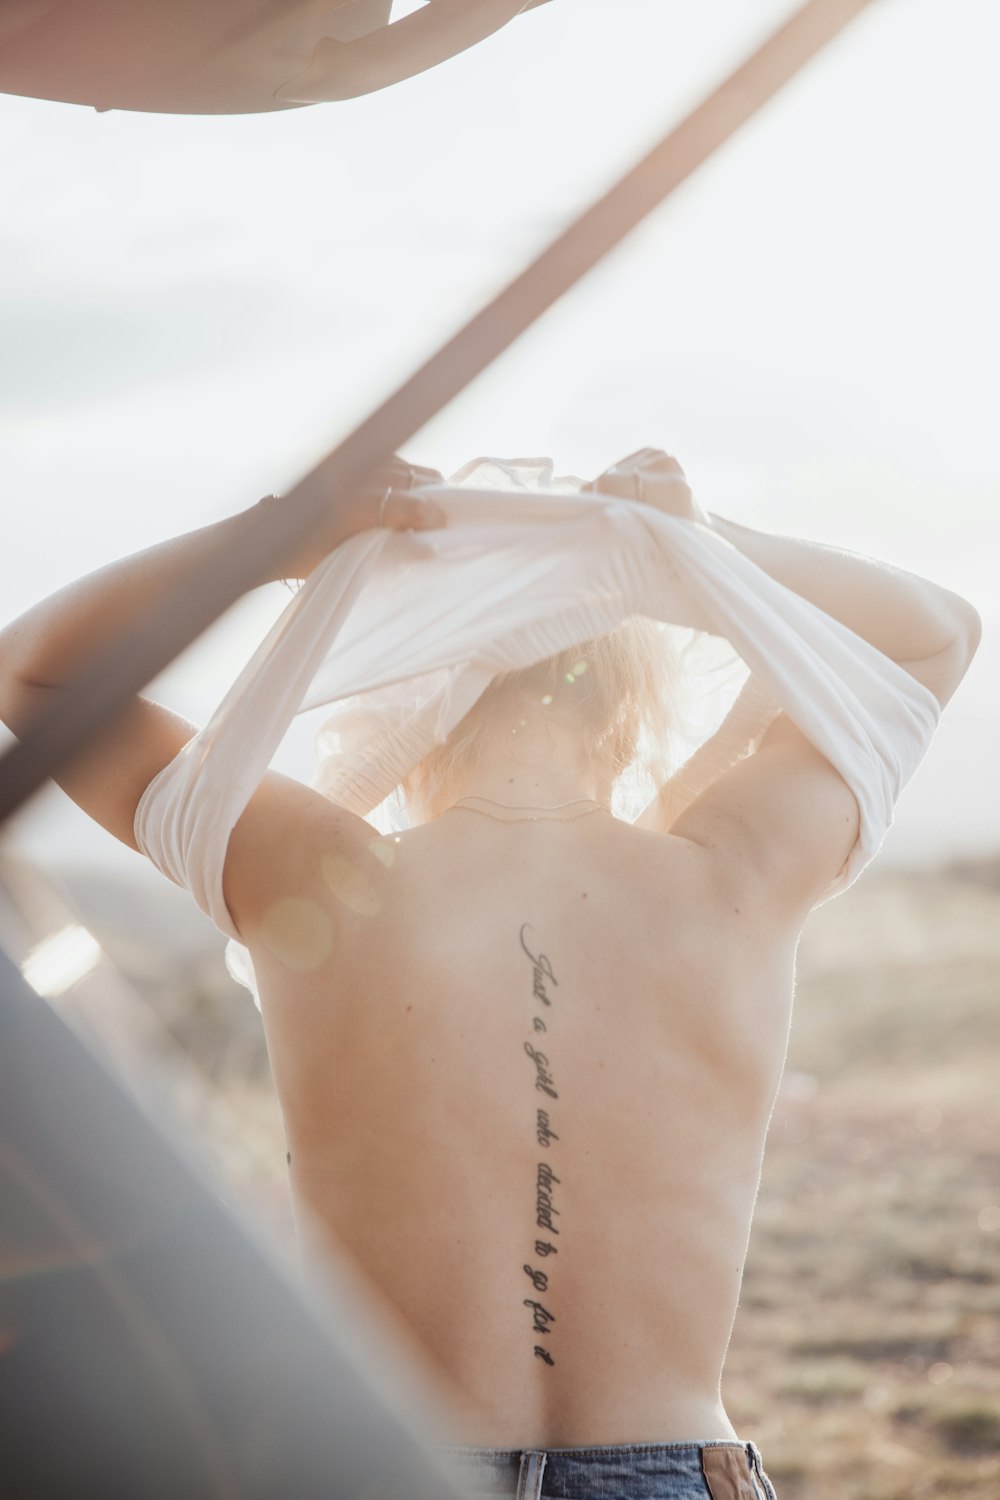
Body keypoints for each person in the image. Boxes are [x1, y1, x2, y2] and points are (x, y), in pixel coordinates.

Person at [0, 447, 980, 1500]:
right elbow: (936, 638)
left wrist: (282, 538)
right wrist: (699, 551)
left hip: (386, 1472)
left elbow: (36, 671)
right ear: (632, 709)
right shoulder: (733, 874)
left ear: (414, 700)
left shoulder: (316, 878)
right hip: (675, 1471)